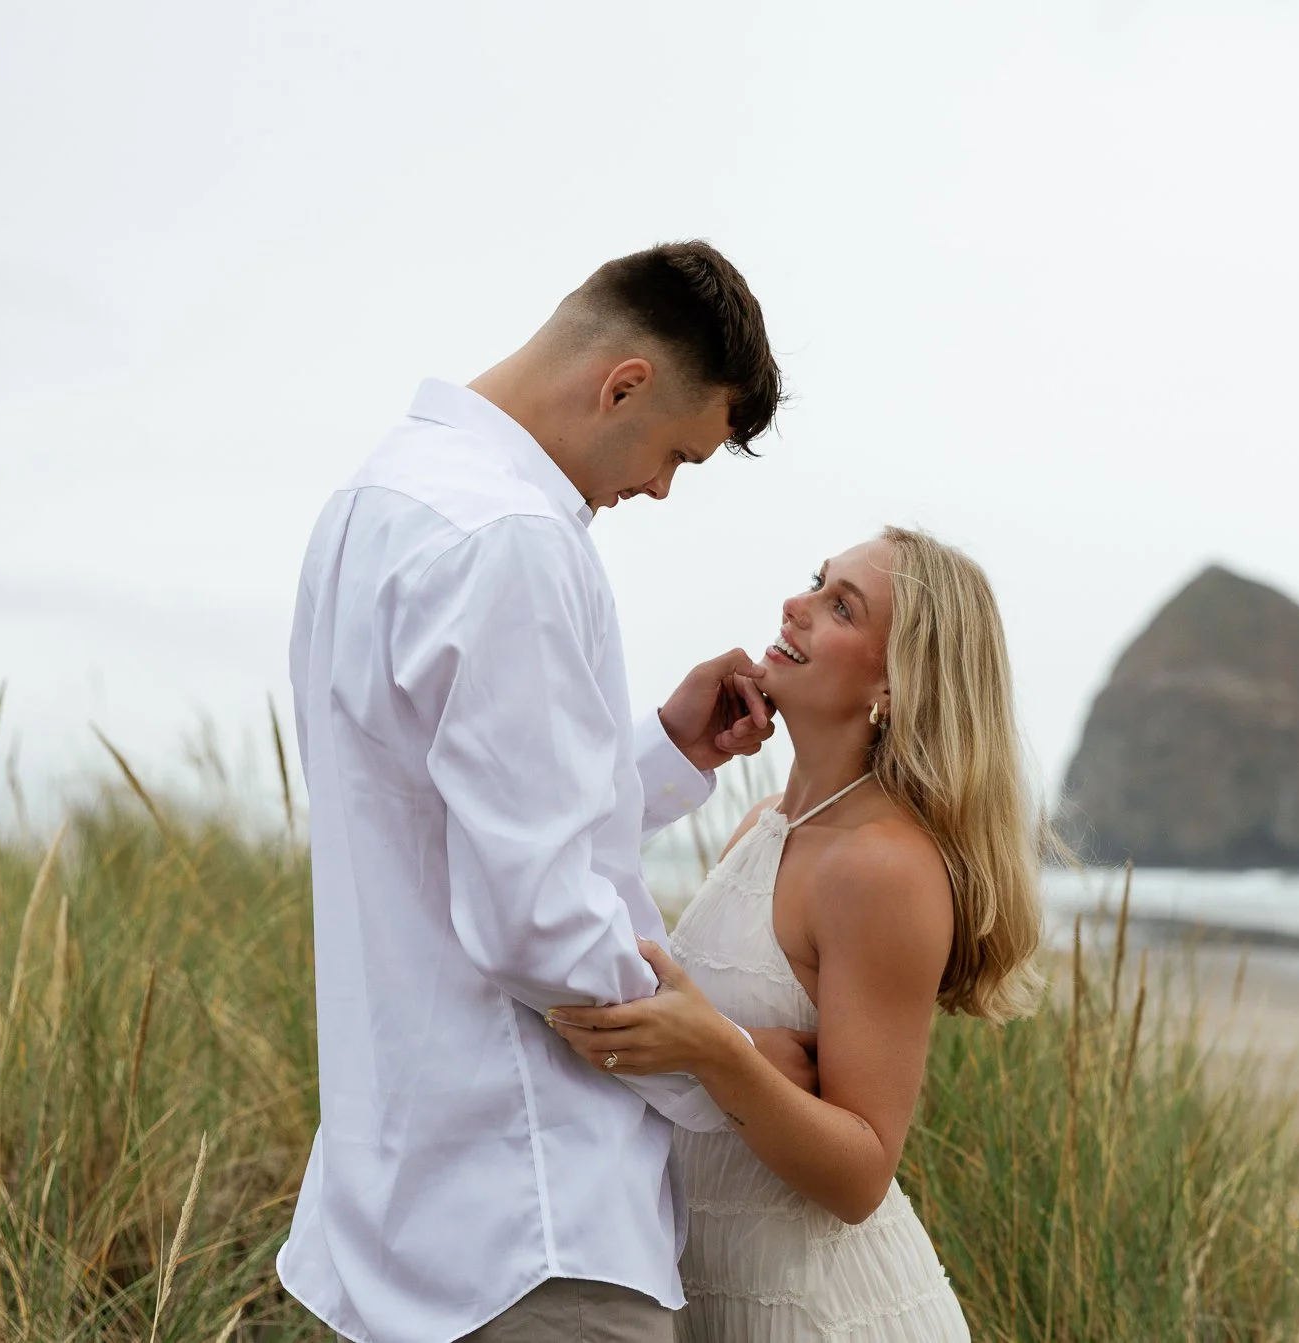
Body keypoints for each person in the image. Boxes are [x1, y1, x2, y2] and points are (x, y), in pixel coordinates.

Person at [278, 240, 803, 1343]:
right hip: (533, 1222)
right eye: (677, 453)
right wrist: (723, 1065)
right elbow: (536, 918)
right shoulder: (512, 538)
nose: (659, 488)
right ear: (624, 384)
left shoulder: (373, 500)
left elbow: (437, 818)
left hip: (400, 1208)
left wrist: (664, 750)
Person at [548, 528, 1045, 1341]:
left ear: (894, 682)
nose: (796, 604)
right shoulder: (762, 824)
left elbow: (861, 1175)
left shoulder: (882, 866)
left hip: (823, 1313)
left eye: (841, 606)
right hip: (721, 1294)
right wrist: (728, 1047)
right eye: (817, 581)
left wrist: (717, 1049)